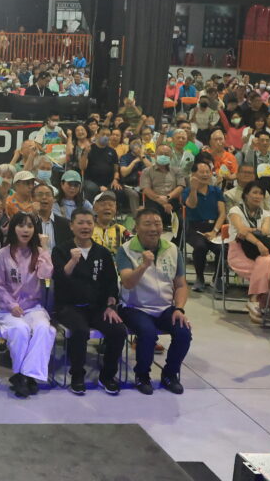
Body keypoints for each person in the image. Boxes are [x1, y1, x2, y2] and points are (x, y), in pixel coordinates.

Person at [116, 208, 193, 395]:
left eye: (157, 224)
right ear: (136, 227)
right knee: (148, 333)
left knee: (183, 332)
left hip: (165, 307)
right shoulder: (126, 250)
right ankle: (142, 375)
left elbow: (181, 285)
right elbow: (127, 283)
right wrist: (143, 265)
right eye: (147, 224)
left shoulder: (172, 249)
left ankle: (170, 374)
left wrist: (179, 309)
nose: (153, 228)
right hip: (134, 307)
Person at [52, 209, 126, 395]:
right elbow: (59, 279)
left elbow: (111, 283)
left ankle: (107, 375)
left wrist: (111, 306)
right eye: (80, 223)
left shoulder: (102, 252)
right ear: (71, 226)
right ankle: (77, 376)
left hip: (97, 307)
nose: (85, 227)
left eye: (89, 223)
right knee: (80, 330)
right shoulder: (61, 250)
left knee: (118, 330)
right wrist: (72, 261)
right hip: (69, 307)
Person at [0, 211, 53, 398]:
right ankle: (25, 376)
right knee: (20, 329)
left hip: (32, 307)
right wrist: (11, 304)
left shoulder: (39, 252)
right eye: (21, 225)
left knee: (44, 328)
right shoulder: (2, 254)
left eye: (30, 226)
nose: (25, 230)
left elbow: (46, 274)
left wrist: (44, 248)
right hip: (6, 308)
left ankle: (24, 375)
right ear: (13, 229)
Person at [226, 182, 270, 324]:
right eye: (254, 192)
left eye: (261, 194)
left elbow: (265, 231)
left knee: (266, 261)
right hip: (239, 252)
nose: (258, 196)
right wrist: (258, 241)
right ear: (246, 195)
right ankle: (259, 303)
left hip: (260, 253)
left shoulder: (266, 214)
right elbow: (241, 230)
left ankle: (254, 300)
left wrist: (249, 231)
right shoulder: (236, 210)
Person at [182, 162, 225, 291]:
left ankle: (217, 278)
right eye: (202, 172)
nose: (205, 174)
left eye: (208, 172)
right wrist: (193, 189)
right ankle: (199, 278)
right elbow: (192, 205)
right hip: (195, 228)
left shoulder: (216, 191)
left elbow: (222, 213)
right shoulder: (187, 191)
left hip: (214, 227)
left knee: (222, 248)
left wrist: (214, 231)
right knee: (200, 247)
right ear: (193, 174)